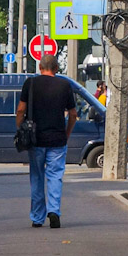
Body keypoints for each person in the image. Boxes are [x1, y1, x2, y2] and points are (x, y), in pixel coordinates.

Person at [17, 55, 77, 229]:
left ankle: (37, 217)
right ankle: (54, 211)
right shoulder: (65, 85)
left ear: (40, 67)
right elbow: (73, 114)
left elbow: (21, 110)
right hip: (58, 139)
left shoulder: (31, 84)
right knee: (55, 176)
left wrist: (20, 128)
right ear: (56, 68)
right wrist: (67, 133)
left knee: (37, 176)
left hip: (36, 139)